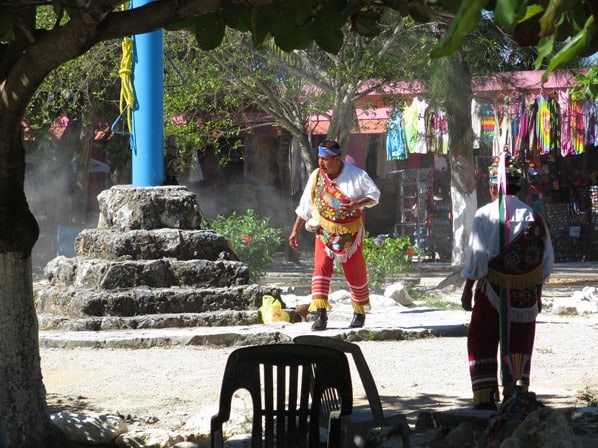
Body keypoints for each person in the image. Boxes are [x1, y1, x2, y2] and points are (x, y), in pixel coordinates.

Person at [460, 152, 554, 410]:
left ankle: (485, 394)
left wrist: (468, 288)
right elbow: (544, 263)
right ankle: (516, 390)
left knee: (481, 337)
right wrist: (539, 293)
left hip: (493, 291)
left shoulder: (484, 215)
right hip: (525, 295)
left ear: (493, 186)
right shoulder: (535, 218)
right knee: (521, 341)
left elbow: (477, 258)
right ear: (520, 187)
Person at [288, 140, 380, 331]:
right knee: (320, 269)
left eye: (326, 159)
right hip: (324, 232)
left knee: (354, 271)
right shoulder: (316, 177)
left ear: (337, 159)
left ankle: (359, 312)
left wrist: (356, 204)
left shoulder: (357, 175)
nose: (321, 163)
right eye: (319, 158)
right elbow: (306, 206)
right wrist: (295, 230)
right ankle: (320, 315)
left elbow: (374, 195)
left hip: (350, 234)